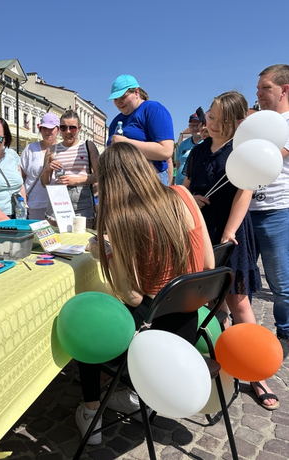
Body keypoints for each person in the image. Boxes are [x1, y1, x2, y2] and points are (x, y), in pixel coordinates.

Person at [76, 141, 214, 445]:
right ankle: (131, 396)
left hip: (152, 339)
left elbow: (134, 297)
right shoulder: (183, 195)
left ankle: (90, 411)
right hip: (186, 327)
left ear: (110, 180)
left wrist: (106, 256)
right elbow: (208, 263)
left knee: (86, 323)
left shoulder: (121, 218)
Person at [184, 91, 278, 410]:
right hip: (201, 232)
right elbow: (184, 185)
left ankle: (256, 373)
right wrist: (189, 198)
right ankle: (223, 360)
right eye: (209, 116)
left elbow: (245, 191)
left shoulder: (240, 150)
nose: (209, 122)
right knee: (211, 301)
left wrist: (229, 232)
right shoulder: (197, 153)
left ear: (236, 123)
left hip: (230, 234)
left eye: (217, 119)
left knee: (239, 303)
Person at [253, 64, 289, 359]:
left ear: (284, 90)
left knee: (280, 283)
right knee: (242, 278)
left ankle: (285, 334)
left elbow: (270, 160)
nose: (259, 93)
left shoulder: (286, 124)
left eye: (265, 87)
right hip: (247, 210)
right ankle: (243, 335)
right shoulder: (259, 124)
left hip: (276, 211)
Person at [107, 75, 174, 185]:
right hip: (122, 182)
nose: (119, 102)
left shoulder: (153, 109)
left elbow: (166, 150)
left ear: (136, 93)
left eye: (123, 97)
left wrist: (126, 143)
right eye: (115, 99)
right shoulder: (115, 121)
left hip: (150, 180)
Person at [41, 110, 99, 224]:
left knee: (83, 236)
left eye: (72, 128)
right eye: (63, 128)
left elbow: (99, 175)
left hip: (82, 198)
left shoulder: (88, 146)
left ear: (79, 128)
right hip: (58, 197)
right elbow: (44, 183)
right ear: (59, 129)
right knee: (58, 237)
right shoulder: (52, 150)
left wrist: (74, 181)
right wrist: (47, 169)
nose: (68, 132)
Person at [20, 113, 60, 220]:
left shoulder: (63, 150)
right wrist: (23, 201)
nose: (47, 131)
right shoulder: (31, 148)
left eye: (51, 128)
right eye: (44, 128)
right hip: (33, 204)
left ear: (58, 129)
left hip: (57, 204)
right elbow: (21, 176)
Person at [175, 113, 202, 185]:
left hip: (197, 187)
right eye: (193, 125)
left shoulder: (208, 143)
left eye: (198, 125)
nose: (195, 128)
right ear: (189, 127)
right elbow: (178, 164)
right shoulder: (183, 144)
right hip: (180, 186)